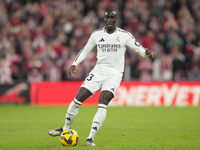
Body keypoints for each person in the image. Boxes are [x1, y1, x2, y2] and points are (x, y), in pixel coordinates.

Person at [48, 8, 153, 146]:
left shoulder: (125, 35)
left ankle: (90, 138)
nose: (109, 20)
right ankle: (65, 129)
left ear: (116, 19)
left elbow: (138, 48)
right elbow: (85, 50)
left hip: (114, 74)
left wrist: (146, 53)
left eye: (112, 18)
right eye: (107, 17)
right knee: (76, 101)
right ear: (104, 19)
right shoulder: (96, 34)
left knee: (103, 102)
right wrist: (75, 63)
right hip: (98, 71)